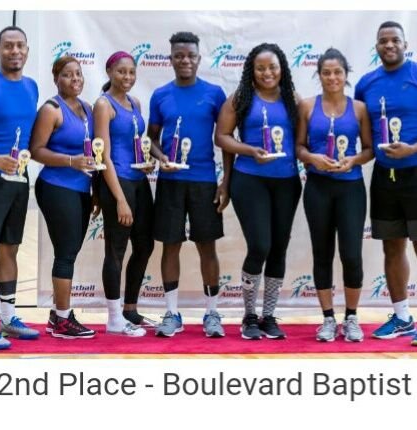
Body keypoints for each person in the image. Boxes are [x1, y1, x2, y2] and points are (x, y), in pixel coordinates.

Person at [216, 43, 302, 340]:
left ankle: (268, 316)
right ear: (252, 70)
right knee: (260, 245)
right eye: (261, 68)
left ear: (282, 70)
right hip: (249, 180)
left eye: (273, 67)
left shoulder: (293, 99)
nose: (267, 73)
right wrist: (250, 150)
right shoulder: (241, 97)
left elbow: (304, 142)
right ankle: (249, 315)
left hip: (287, 182)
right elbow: (222, 137)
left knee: (278, 247)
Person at [147, 31, 229, 338]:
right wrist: (160, 158)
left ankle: (212, 314)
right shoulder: (160, 95)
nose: (185, 60)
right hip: (170, 181)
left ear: (198, 58)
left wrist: (226, 182)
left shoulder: (215, 93)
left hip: (205, 181)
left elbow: (225, 141)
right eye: (179, 55)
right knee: (171, 246)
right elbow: (152, 139)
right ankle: (172, 313)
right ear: (170, 59)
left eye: (190, 55)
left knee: (207, 247)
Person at [296, 48, 373, 342]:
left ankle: (351, 317)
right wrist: (313, 159)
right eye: (326, 73)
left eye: (337, 72)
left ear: (346, 74)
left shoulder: (359, 109)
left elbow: (368, 150)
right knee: (322, 253)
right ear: (319, 75)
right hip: (318, 188)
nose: (332, 77)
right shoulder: (306, 106)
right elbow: (299, 147)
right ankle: (327, 319)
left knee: (351, 255)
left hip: (350, 188)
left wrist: (353, 161)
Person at [355, 21, 417, 345]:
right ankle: (403, 317)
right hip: (384, 176)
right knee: (392, 247)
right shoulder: (366, 84)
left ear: (406, 43)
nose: (389, 45)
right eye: (383, 40)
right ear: (376, 46)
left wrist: (413, 149)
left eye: (395, 40)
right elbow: (361, 135)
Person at [30, 56, 96, 339]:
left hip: (82, 189)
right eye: (68, 75)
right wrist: (71, 161)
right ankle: (63, 321)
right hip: (56, 186)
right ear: (56, 79)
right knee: (66, 253)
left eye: (79, 74)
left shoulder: (88, 109)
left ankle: (58, 314)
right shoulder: (51, 109)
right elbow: (36, 150)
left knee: (70, 251)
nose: (75, 79)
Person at [93, 51, 154, 337]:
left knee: (144, 246)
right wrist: (119, 198)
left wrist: (154, 159)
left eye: (131, 72)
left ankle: (130, 309)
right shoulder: (103, 105)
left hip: (139, 181)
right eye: (121, 72)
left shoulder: (135, 103)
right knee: (116, 250)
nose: (127, 77)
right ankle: (114, 318)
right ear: (109, 72)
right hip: (116, 182)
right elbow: (102, 155)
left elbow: (138, 143)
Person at [0, 26, 40, 350]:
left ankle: (8, 317)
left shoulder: (32, 87)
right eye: (8, 46)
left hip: (19, 181)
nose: (15, 51)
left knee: (10, 248)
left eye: (20, 45)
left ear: (27, 50)